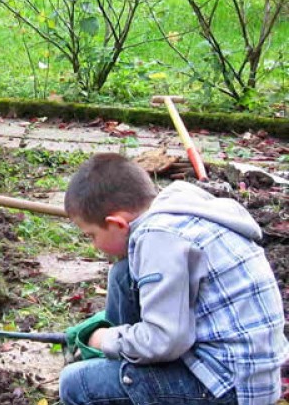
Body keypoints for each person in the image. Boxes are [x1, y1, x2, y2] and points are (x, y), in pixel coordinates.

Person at [60, 152, 289, 405]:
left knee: (76, 383)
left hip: (230, 390)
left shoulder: (159, 237)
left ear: (117, 224)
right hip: (244, 373)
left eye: (91, 235)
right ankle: (121, 368)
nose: (93, 246)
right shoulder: (178, 209)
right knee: (123, 275)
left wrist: (103, 339)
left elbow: (165, 340)